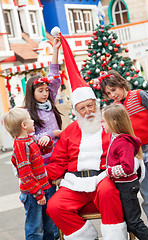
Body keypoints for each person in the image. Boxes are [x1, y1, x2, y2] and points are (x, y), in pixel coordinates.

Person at [45, 28, 128, 240]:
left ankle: (115, 236)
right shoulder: (69, 132)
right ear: (76, 112)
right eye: (82, 108)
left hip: (102, 178)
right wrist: (42, 176)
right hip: (74, 183)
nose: (88, 111)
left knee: (109, 192)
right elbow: (58, 161)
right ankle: (87, 237)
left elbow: (124, 148)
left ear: (96, 105)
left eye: (91, 106)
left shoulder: (108, 123)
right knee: (54, 206)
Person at [99, 70, 148, 240]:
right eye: (108, 93)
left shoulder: (139, 95)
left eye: (113, 89)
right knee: (147, 197)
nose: (112, 95)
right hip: (136, 156)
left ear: (120, 84)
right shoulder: (116, 108)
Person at [24, 34, 62, 239]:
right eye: (41, 90)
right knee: (43, 210)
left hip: (58, 161)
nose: (45, 93)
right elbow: (28, 138)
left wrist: (55, 49)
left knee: (55, 209)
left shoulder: (51, 104)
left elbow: (54, 78)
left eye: (46, 90)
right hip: (41, 167)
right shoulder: (28, 113)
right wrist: (52, 133)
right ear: (32, 92)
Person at [102, 103, 148, 240]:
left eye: (104, 120)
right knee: (130, 221)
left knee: (134, 223)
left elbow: (127, 167)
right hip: (124, 186)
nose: (102, 124)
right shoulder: (115, 138)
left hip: (126, 187)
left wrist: (109, 171)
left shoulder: (123, 142)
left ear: (114, 122)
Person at [3, 107, 55, 240]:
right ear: (24, 125)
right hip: (33, 194)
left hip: (43, 189)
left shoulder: (30, 140)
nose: (33, 121)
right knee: (35, 227)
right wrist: (38, 194)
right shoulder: (21, 146)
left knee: (48, 224)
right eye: (30, 119)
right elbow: (26, 174)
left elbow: (40, 153)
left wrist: (47, 143)